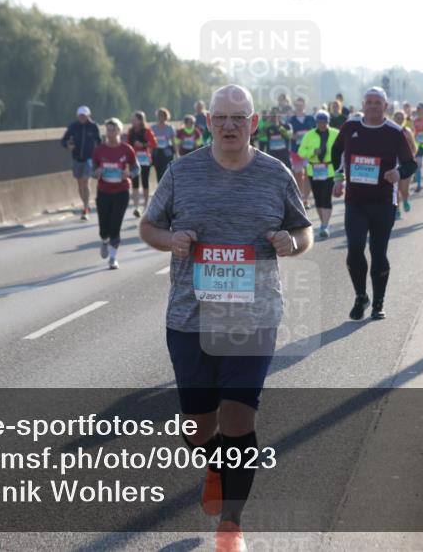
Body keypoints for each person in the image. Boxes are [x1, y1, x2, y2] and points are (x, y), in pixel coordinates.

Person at [140, 84, 312, 552]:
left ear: (253, 123)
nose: (230, 125)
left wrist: (290, 243)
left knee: (238, 417)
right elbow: (148, 226)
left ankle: (232, 523)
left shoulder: (275, 174)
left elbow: (303, 229)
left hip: (253, 317)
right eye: (222, 118)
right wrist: (169, 241)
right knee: (197, 430)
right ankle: (216, 462)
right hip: (190, 316)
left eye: (239, 117)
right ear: (209, 122)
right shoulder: (182, 171)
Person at [331, 87, 417, 321]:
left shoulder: (395, 132)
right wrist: (338, 179)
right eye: (368, 102)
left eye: (377, 102)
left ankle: (378, 302)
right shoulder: (351, 127)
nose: (372, 106)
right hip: (355, 202)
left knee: (379, 253)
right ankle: (361, 296)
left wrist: (398, 173)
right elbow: (337, 151)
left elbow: (411, 164)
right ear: (362, 105)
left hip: (383, 202)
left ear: (385, 106)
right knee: (355, 249)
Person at [92, 118, 139, 269]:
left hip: (121, 191)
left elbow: (136, 168)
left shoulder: (126, 149)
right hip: (104, 191)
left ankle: (113, 258)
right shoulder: (99, 150)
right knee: (103, 227)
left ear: (119, 131)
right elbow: (92, 170)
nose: (110, 133)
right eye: (108, 130)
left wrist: (129, 174)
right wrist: (96, 172)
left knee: (115, 225)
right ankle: (104, 240)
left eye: (113, 130)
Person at [297, 111, 340, 238]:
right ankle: (323, 222)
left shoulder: (335, 133)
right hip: (314, 170)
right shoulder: (309, 135)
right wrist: (312, 151)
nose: (322, 124)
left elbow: (342, 148)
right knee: (318, 199)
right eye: (320, 122)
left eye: (324, 122)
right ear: (316, 123)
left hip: (330, 169)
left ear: (328, 122)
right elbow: (300, 151)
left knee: (326, 197)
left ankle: (325, 225)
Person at [60, 106, 101, 221]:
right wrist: (68, 145)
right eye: (80, 115)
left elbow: (99, 142)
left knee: (86, 181)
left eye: (84, 115)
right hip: (77, 158)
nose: (82, 117)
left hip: (89, 158)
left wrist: (99, 157)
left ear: (89, 115)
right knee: (80, 184)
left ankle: (85, 208)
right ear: (77, 116)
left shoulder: (93, 127)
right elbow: (63, 140)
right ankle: (85, 205)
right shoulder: (73, 126)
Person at [125, 111, 157, 218]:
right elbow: (128, 144)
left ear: (140, 120)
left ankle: (145, 206)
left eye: (134, 119)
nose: (132, 121)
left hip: (144, 159)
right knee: (134, 182)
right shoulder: (131, 131)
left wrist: (142, 144)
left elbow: (153, 143)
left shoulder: (147, 131)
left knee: (144, 181)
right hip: (134, 159)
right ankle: (136, 207)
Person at [287, 97, 316, 209]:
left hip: (309, 151)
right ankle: (299, 197)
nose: (299, 107)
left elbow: (315, 132)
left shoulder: (310, 118)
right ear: (295, 106)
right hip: (296, 151)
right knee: (298, 175)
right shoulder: (291, 120)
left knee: (308, 174)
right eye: (297, 105)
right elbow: (289, 135)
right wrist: (294, 135)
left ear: (305, 106)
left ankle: (305, 199)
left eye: (301, 105)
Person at [391, 110, 417, 216]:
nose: (399, 119)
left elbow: (413, 147)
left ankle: (405, 200)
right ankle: (397, 209)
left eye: (401, 117)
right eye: (397, 117)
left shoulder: (407, 131)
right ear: (394, 118)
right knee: (395, 188)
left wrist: (411, 158)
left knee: (403, 189)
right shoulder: (390, 131)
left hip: (405, 163)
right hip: (393, 162)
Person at [152, 108, 177, 183]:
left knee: (167, 171)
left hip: (167, 153)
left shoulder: (170, 128)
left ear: (166, 116)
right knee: (158, 172)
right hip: (156, 153)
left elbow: (173, 142)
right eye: (159, 115)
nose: (160, 117)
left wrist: (176, 153)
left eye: (162, 115)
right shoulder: (153, 128)